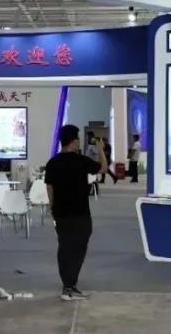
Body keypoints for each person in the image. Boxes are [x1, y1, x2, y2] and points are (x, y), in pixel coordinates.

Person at [44, 124, 107, 301]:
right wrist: (101, 149)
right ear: (73, 141)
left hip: (61, 214)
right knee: (78, 249)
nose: (79, 142)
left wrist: (53, 207)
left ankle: (67, 286)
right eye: (78, 139)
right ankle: (70, 287)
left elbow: (49, 187)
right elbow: (102, 168)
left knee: (64, 248)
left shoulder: (53, 162)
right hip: (80, 213)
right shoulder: (81, 161)